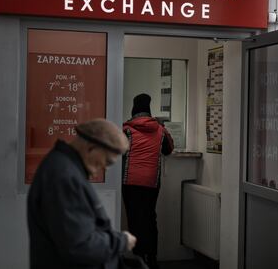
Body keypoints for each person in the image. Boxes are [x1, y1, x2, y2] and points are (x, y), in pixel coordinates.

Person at [28, 118, 137, 269]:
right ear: (91, 148)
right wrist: (121, 241)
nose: (105, 168)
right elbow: (79, 246)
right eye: (108, 161)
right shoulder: (64, 177)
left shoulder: (66, 169)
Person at [122, 93, 174, 269]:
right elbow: (169, 149)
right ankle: (152, 257)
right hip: (152, 182)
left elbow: (116, 151)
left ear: (134, 108)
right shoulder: (160, 129)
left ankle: (139, 257)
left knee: (135, 218)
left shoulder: (126, 129)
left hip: (130, 181)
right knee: (150, 217)